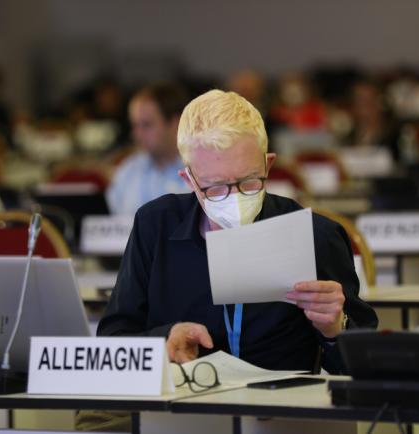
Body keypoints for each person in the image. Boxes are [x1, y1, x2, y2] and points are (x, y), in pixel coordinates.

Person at [98, 89, 377, 373]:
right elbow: (112, 340)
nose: (234, 198)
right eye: (215, 187)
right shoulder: (154, 225)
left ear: (268, 165)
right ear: (189, 180)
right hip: (181, 406)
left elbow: (366, 369)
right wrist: (164, 339)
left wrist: (335, 328)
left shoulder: (315, 235)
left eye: (249, 181)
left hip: (279, 410)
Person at [106, 83, 191, 215]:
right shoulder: (126, 173)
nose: (137, 134)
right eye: (135, 125)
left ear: (175, 123)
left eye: (146, 125)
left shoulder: (200, 172)